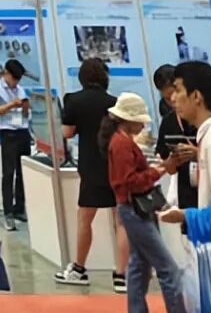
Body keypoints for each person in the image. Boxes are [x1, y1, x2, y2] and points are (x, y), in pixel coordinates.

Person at [101, 92, 186, 313]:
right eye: (139, 121)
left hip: (132, 208)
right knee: (168, 269)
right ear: (129, 120)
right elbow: (130, 182)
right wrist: (159, 171)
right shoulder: (122, 144)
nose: (142, 125)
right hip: (135, 209)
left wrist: (157, 170)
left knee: (139, 266)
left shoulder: (120, 141)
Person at [55, 58, 128, 292]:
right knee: (121, 221)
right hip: (115, 164)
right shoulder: (114, 102)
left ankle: (79, 269)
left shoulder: (73, 100)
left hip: (90, 166)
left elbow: (67, 133)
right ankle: (121, 275)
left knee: (85, 218)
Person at [0, 58, 29, 230]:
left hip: (23, 130)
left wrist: (25, 107)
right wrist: (11, 105)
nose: (16, 83)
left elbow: (25, 113)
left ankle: (20, 208)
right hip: (8, 132)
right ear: (6, 74)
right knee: (9, 173)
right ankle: (8, 213)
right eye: (14, 78)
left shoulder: (20, 89)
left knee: (22, 172)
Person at [171, 60, 211, 209]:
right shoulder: (207, 135)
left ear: (196, 96)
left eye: (178, 90)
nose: (173, 98)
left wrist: (189, 216)